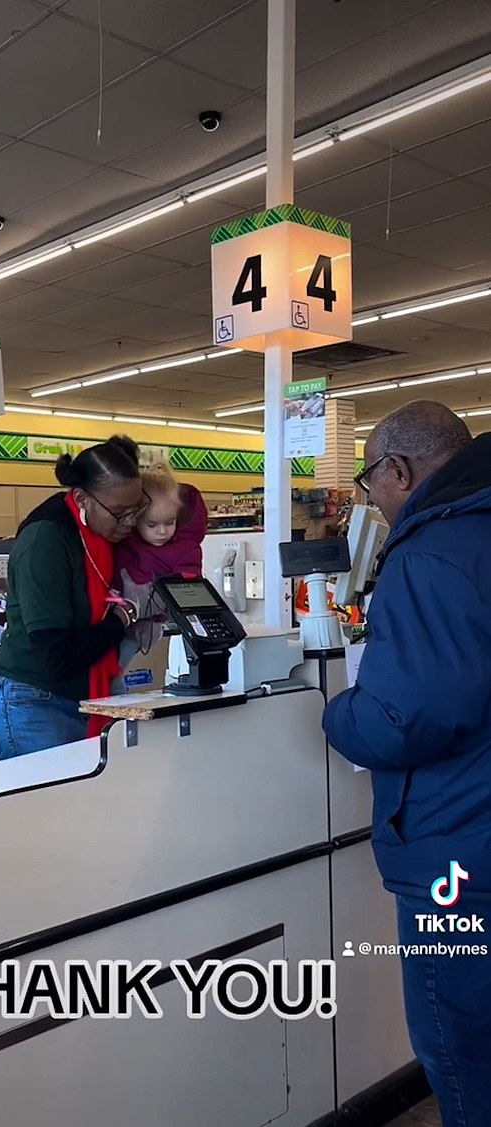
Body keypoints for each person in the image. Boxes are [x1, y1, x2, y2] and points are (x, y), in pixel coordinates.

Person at [323, 400, 491, 1127]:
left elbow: (401, 718)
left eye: (370, 483)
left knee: (464, 1054)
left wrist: (335, 711)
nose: (374, 500)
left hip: (460, 861)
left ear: (398, 469)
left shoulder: (428, 553)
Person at [0, 436, 149, 760]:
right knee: (47, 809)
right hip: (34, 701)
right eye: (119, 513)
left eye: (137, 508)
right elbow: (55, 655)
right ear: (82, 498)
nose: (130, 522)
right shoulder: (46, 540)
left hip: (80, 695)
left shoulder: (98, 536)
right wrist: (120, 621)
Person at [111, 469, 208, 681]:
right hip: (111, 624)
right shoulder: (124, 541)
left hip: (145, 631)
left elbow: (186, 592)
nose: (162, 531)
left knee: (118, 678)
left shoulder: (186, 550)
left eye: (170, 522)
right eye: (152, 525)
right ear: (135, 519)